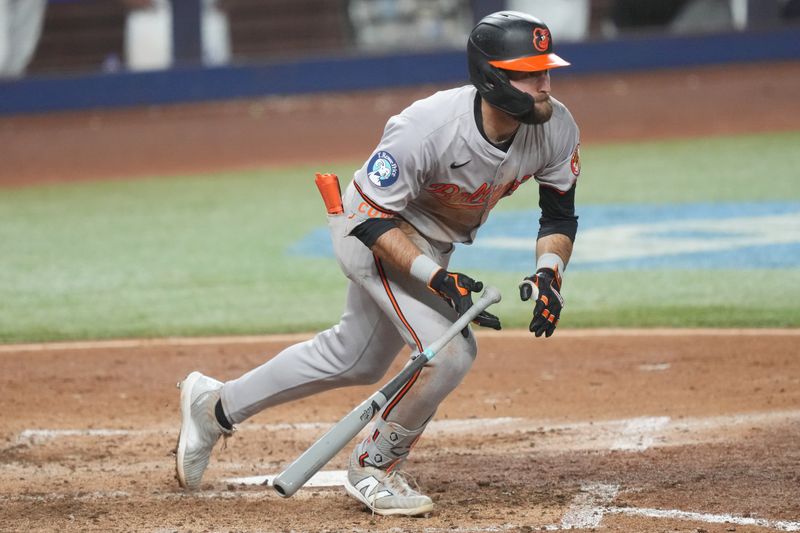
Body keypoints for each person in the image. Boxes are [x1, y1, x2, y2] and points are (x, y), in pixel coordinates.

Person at [175, 10, 580, 517]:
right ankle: (373, 468)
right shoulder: (427, 128)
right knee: (449, 352)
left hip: (430, 243)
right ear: (491, 77)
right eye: (530, 73)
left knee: (355, 357)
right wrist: (436, 278)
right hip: (372, 230)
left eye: (546, 71)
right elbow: (369, 217)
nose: (545, 84)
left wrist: (549, 276)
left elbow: (559, 214)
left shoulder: (555, 127)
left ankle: (213, 408)